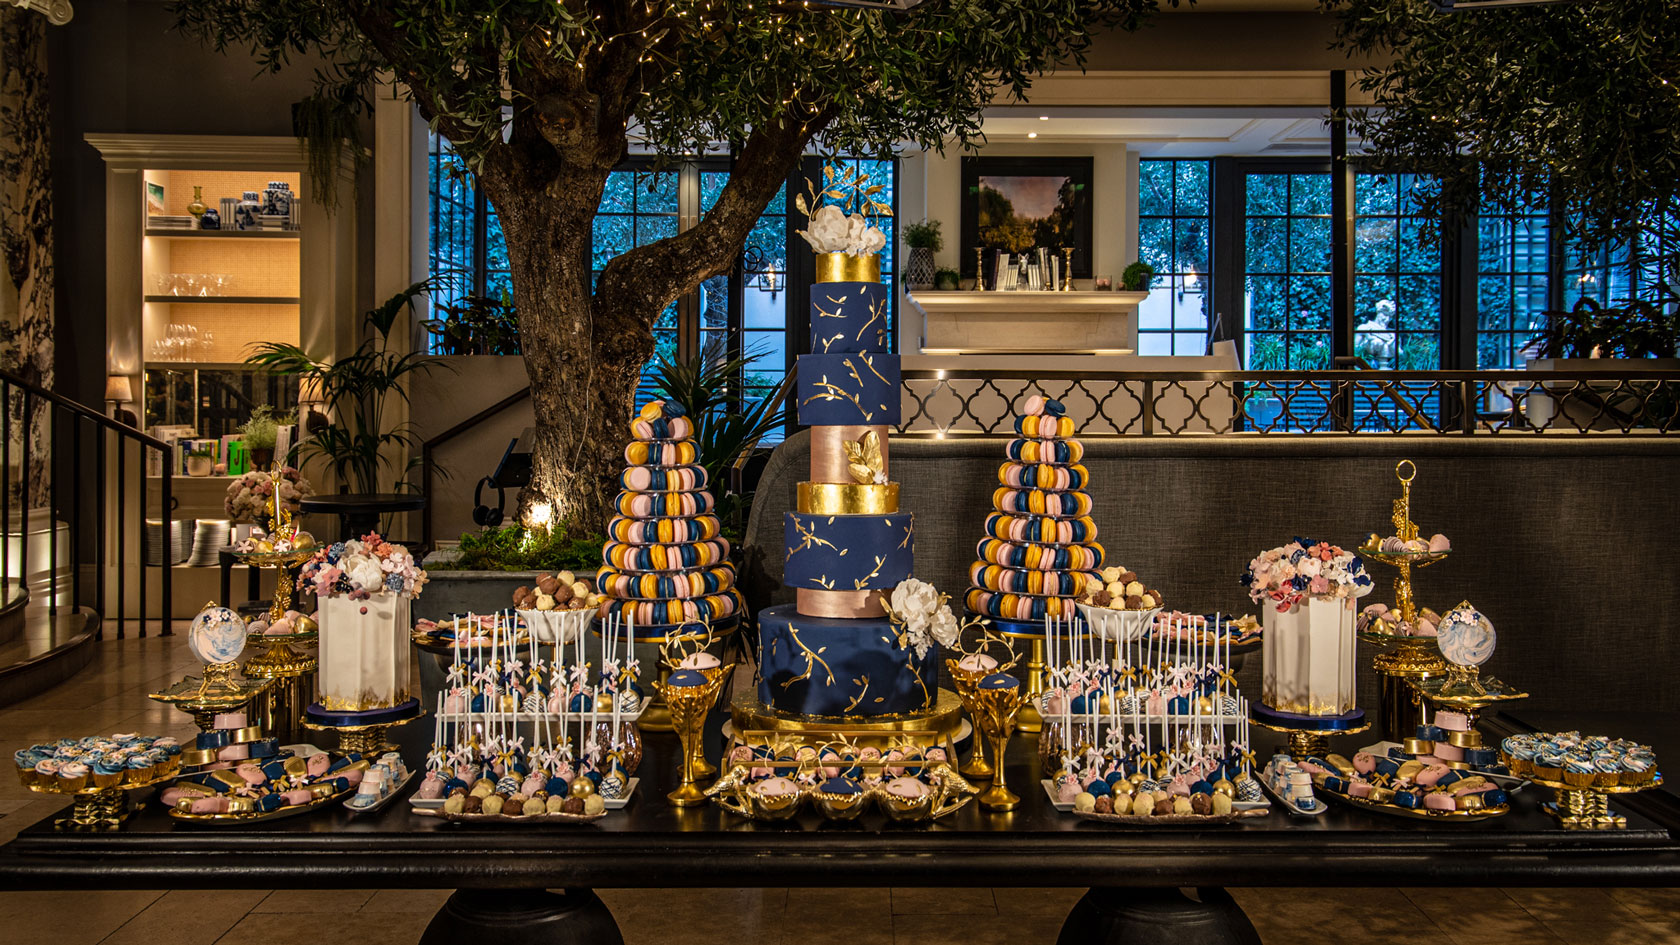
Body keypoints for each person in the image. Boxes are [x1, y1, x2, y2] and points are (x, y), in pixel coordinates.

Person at [1355, 299, 1398, 369]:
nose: (1387, 319)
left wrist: (1392, 343)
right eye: (1385, 315)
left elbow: (1401, 354)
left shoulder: (1392, 334)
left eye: (1390, 317)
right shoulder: (1364, 328)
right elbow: (1355, 349)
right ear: (1378, 313)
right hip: (1365, 367)